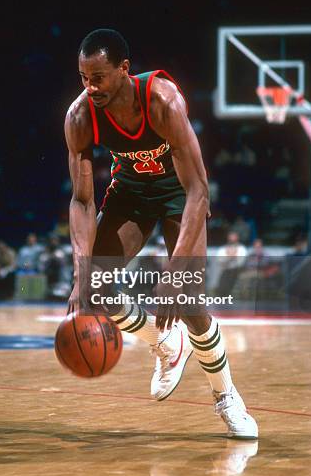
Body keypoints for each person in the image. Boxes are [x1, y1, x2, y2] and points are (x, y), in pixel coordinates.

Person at [64, 28, 257, 439]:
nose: (90, 87)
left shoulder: (162, 100)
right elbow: (82, 201)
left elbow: (198, 190)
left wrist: (173, 272)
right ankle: (166, 344)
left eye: (98, 77)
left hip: (179, 194)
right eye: (83, 77)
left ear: (124, 70)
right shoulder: (80, 116)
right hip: (131, 192)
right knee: (92, 290)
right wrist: (81, 268)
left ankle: (226, 396)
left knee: (187, 300)